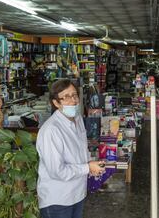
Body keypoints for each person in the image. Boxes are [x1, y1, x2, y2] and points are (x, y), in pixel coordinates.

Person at [36, 79, 105, 218]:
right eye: (66, 97)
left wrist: (92, 165)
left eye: (74, 95)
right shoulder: (51, 130)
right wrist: (87, 168)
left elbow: (80, 151)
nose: (73, 100)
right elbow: (57, 171)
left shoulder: (77, 118)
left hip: (77, 193)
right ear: (56, 103)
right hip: (58, 200)